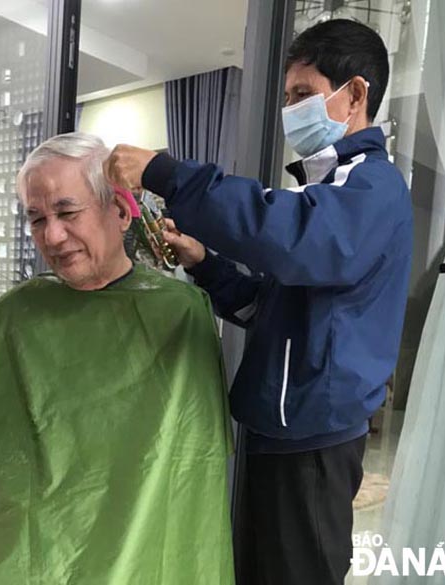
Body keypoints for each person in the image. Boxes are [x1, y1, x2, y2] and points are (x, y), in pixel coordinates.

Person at [105, 19, 413, 585]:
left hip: (313, 440)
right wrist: (204, 261)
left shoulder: (372, 188)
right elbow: (262, 306)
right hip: (274, 427)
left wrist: (167, 173)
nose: (291, 110)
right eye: (288, 96)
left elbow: (292, 237)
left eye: (304, 95)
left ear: (356, 94)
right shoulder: (324, 193)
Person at [0, 132, 235, 585]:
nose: (53, 236)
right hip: (43, 540)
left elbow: (194, 462)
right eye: (36, 218)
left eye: (66, 212)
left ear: (120, 212)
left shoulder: (180, 312)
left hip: (140, 540)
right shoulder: (19, 311)